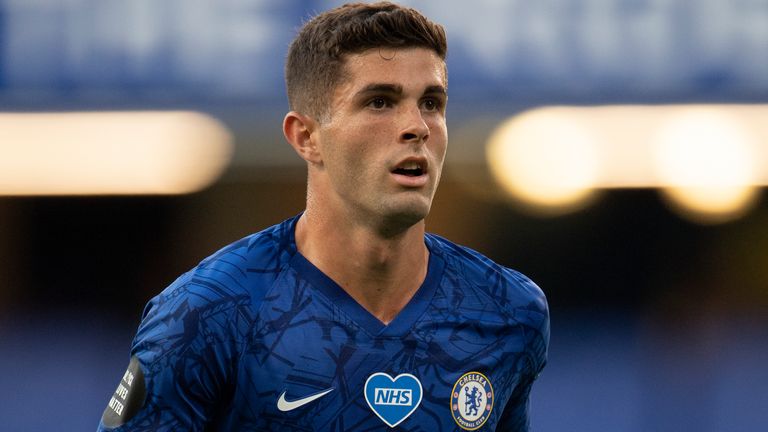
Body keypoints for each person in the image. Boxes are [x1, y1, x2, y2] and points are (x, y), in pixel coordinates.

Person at [97, 2, 549, 431]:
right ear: (306, 137)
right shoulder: (205, 315)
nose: (418, 126)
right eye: (380, 102)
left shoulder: (507, 311)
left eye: (431, 102)